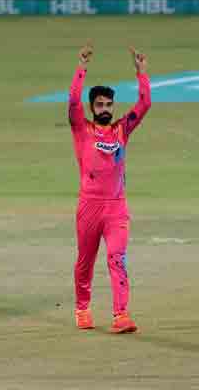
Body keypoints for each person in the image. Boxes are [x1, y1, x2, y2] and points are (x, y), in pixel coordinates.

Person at [67, 40, 151, 333]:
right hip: (89, 206)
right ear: (92, 108)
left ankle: (121, 315)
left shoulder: (121, 129)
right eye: (100, 105)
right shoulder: (82, 128)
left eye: (108, 104)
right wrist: (81, 68)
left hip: (116, 207)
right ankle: (82, 307)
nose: (105, 108)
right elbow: (73, 102)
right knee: (85, 262)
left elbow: (144, 105)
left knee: (117, 259)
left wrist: (141, 72)